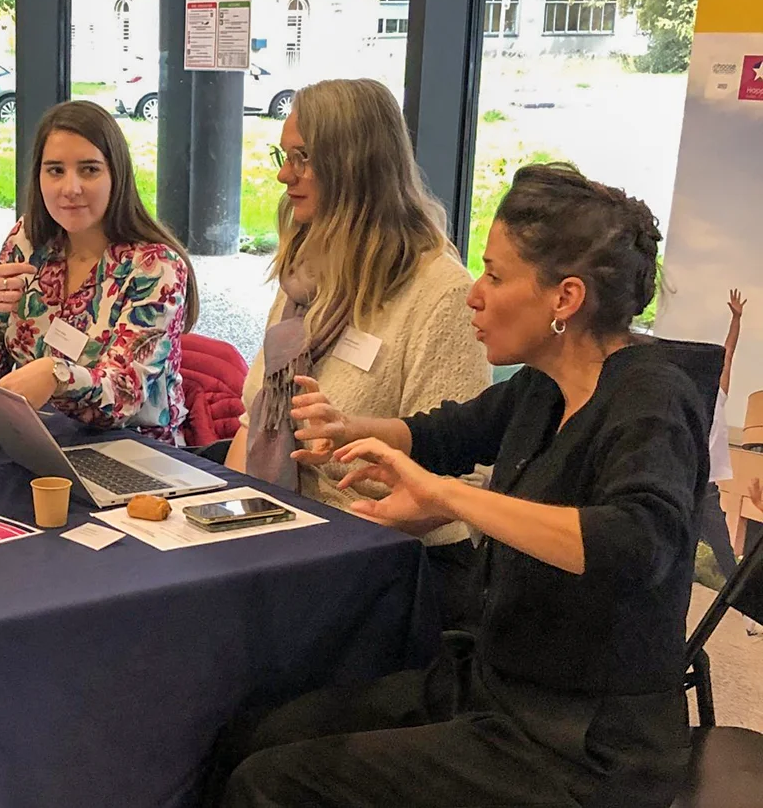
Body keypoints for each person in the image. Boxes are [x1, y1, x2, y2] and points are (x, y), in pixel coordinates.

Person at [209, 163, 708, 808]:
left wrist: (447, 496)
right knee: (252, 736)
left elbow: (638, 542)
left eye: (496, 276)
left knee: (271, 783)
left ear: (566, 299)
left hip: (581, 744)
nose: (474, 293)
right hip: (492, 685)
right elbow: (446, 433)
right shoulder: (543, 383)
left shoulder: (652, 400)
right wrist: (351, 426)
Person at [224, 78, 488, 625]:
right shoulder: (305, 272)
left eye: (302, 158)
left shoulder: (439, 293)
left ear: (354, 165)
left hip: (391, 567)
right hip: (294, 536)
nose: (282, 174)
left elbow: (461, 486)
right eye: (284, 154)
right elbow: (255, 420)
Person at [0, 100, 198, 444]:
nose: (71, 188)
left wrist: (57, 375)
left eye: (89, 170)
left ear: (117, 175)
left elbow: (125, 397)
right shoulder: (28, 242)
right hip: (36, 438)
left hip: (133, 453)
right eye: (55, 170)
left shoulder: (156, 267)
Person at [697, 289, 745, 581]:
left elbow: (727, 354)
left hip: (705, 487)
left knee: (724, 549)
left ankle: (747, 608)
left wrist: (736, 320)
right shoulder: (685, 399)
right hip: (683, 483)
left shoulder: (718, 395)